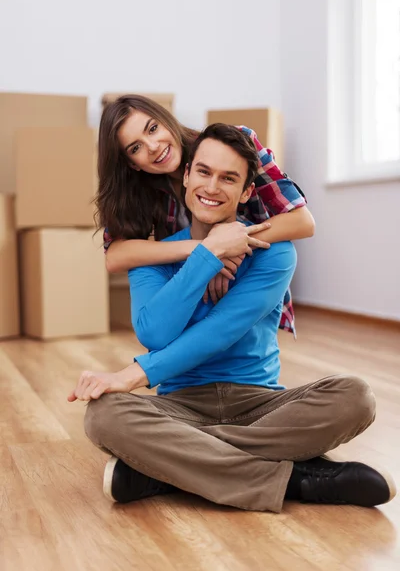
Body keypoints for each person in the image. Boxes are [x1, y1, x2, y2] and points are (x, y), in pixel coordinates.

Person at [69, 124, 396, 512]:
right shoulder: (156, 255)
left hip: (260, 402)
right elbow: (155, 333)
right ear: (187, 175)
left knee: (355, 397)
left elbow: (220, 331)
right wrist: (206, 257)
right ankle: (298, 480)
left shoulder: (275, 253)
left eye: (229, 179)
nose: (212, 187)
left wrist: (134, 375)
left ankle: (166, 468)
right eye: (204, 172)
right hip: (181, 405)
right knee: (104, 415)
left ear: (245, 192)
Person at [96, 94, 315, 330]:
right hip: (191, 297)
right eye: (135, 147)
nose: (153, 146)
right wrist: (210, 250)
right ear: (132, 163)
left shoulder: (235, 144)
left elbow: (303, 221)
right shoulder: (138, 189)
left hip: (246, 282)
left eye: (152, 129)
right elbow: (115, 257)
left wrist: (233, 247)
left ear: (166, 119)